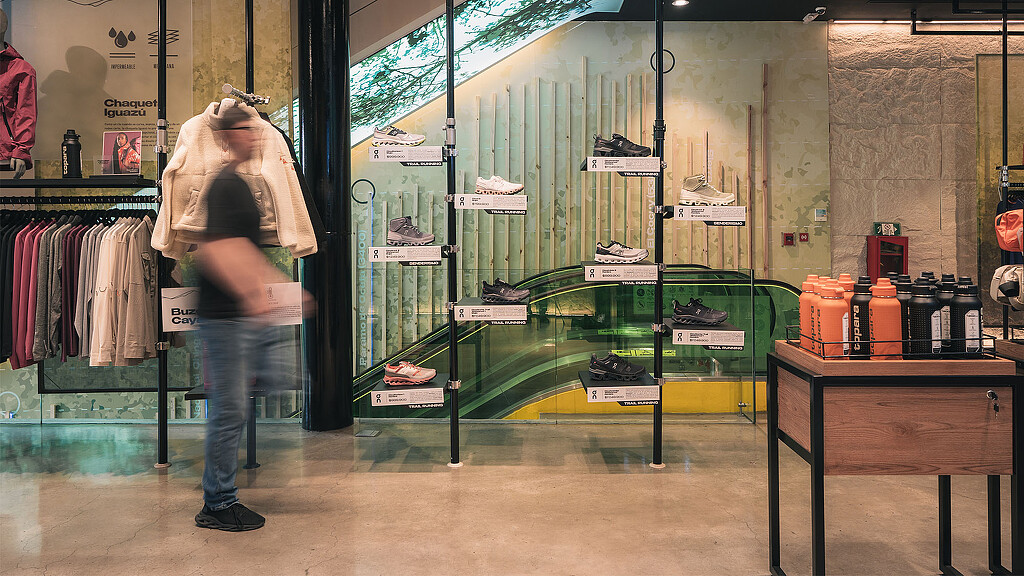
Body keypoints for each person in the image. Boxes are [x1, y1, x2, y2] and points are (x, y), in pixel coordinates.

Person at [193, 105, 312, 532]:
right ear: (227, 137)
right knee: (228, 412)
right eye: (246, 129)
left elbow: (241, 248)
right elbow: (218, 251)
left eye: (257, 128)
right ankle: (218, 504)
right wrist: (258, 293)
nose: (255, 135)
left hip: (237, 314)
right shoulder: (224, 183)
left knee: (239, 406)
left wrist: (268, 289)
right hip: (224, 317)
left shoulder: (240, 184)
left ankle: (221, 497)